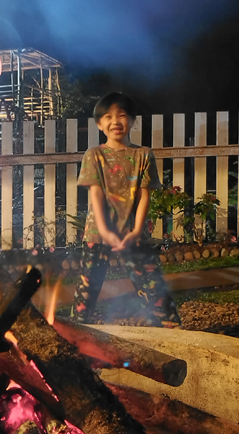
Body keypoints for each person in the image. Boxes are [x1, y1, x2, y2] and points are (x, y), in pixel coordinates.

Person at [70, 92, 180, 327]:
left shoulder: (143, 155)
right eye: (108, 117)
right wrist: (105, 230)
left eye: (121, 115)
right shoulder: (95, 155)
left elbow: (144, 196)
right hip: (98, 234)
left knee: (151, 282)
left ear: (132, 120)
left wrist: (137, 230)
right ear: (99, 124)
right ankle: (75, 335)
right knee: (88, 287)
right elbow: (96, 194)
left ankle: (170, 329)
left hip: (133, 234)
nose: (115, 121)